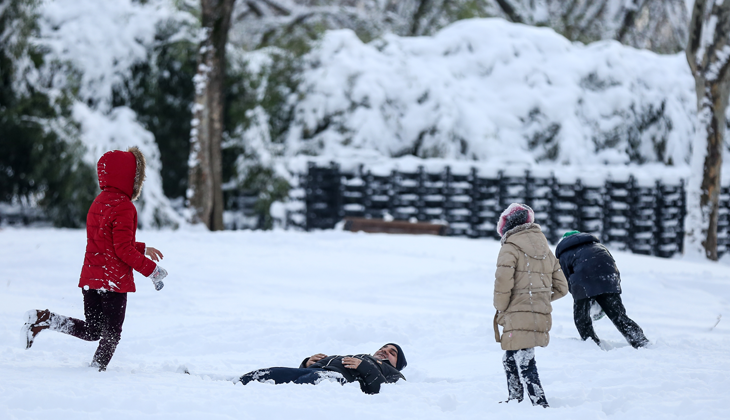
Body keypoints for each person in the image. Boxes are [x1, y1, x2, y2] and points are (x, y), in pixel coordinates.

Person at [21, 147, 169, 371]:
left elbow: (108, 243)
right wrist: (152, 271)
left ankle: (45, 319)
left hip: (92, 279)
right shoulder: (125, 207)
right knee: (111, 334)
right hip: (113, 282)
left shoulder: (99, 202)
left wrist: (143, 248)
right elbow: (122, 251)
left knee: (93, 330)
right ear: (130, 178)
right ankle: (95, 374)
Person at [493, 203, 568, 407]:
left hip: (516, 311)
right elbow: (562, 287)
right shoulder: (545, 248)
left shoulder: (510, 247)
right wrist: (539, 299)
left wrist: (501, 306)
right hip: (538, 312)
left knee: (525, 358)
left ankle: (540, 403)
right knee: (510, 358)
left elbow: (502, 282)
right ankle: (515, 399)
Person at [554, 230, 649, 349]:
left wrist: (582, 299)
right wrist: (613, 288)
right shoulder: (598, 246)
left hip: (584, 281)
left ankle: (592, 344)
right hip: (609, 279)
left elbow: (567, 280)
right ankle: (640, 341)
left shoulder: (564, 253)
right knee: (618, 316)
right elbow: (612, 266)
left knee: (581, 319)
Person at [238, 343, 406, 394]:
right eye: (383, 348)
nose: (385, 351)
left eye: (392, 353)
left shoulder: (394, 374)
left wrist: (366, 368)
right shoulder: (357, 356)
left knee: (307, 385)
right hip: (316, 371)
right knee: (271, 373)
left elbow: (383, 390)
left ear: (396, 364)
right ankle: (235, 384)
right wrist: (308, 363)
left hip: (334, 380)